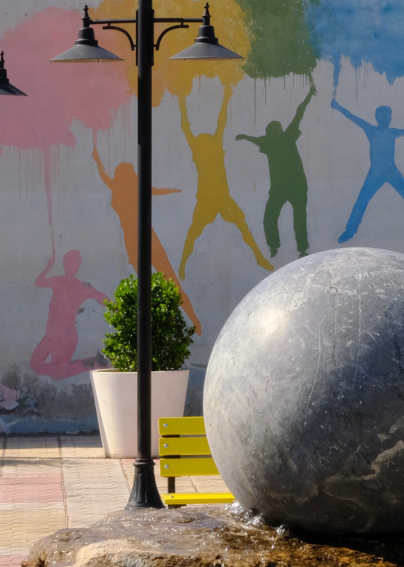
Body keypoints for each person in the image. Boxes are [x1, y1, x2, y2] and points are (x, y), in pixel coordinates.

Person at [91, 146, 201, 333]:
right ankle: (188, 323)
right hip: (140, 242)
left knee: (160, 286)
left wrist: (97, 159)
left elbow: (105, 177)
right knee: (162, 286)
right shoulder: (131, 187)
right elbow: (155, 190)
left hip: (140, 242)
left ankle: (192, 322)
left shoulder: (121, 188)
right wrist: (97, 159)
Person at [178, 85, 274, 278]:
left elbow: (215, 122)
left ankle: (258, 257)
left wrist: (226, 96)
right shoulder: (207, 147)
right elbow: (195, 126)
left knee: (238, 225)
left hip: (221, 198)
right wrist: (181, 100)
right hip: (208, 199)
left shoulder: (206, 147)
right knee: (195, 232)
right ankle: (182, 265)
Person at [331, 97, 404, 243]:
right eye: (385, 116)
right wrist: (338, 107)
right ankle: (349, 231)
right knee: (362, 201)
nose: (387, 119)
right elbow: (354, 118)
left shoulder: (390, 132)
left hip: (391, 172)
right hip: (376, 173)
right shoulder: (372, 130)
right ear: (378, 118)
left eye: (388, 116)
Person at [235, 83, 315, 258]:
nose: (277, 134)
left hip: (296, 187)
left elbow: (299, 113)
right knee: (271, 219)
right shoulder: (271, 142)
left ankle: (300, 248)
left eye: (277, 131)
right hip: (281, 189)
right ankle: (275, 245)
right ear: (271, 134)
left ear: (280, 131)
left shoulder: (285, 138)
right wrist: (244, 137)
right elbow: (256, 139)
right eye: (274, 132)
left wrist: (309, 95)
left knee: (298, 219)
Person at [30, 248, 109, 380]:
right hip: (51, 334)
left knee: (57, 374)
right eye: (67, 262)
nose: (69, 265)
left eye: (73, 262)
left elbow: (102, 298)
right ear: (64, 264)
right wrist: (48, 266)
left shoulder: (82, 287)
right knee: (37, 365)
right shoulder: (58, 281)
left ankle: (93, 363)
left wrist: (120, 309)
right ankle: (91, 363)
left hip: (66, 336)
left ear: (77, 265)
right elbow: (38, 282)